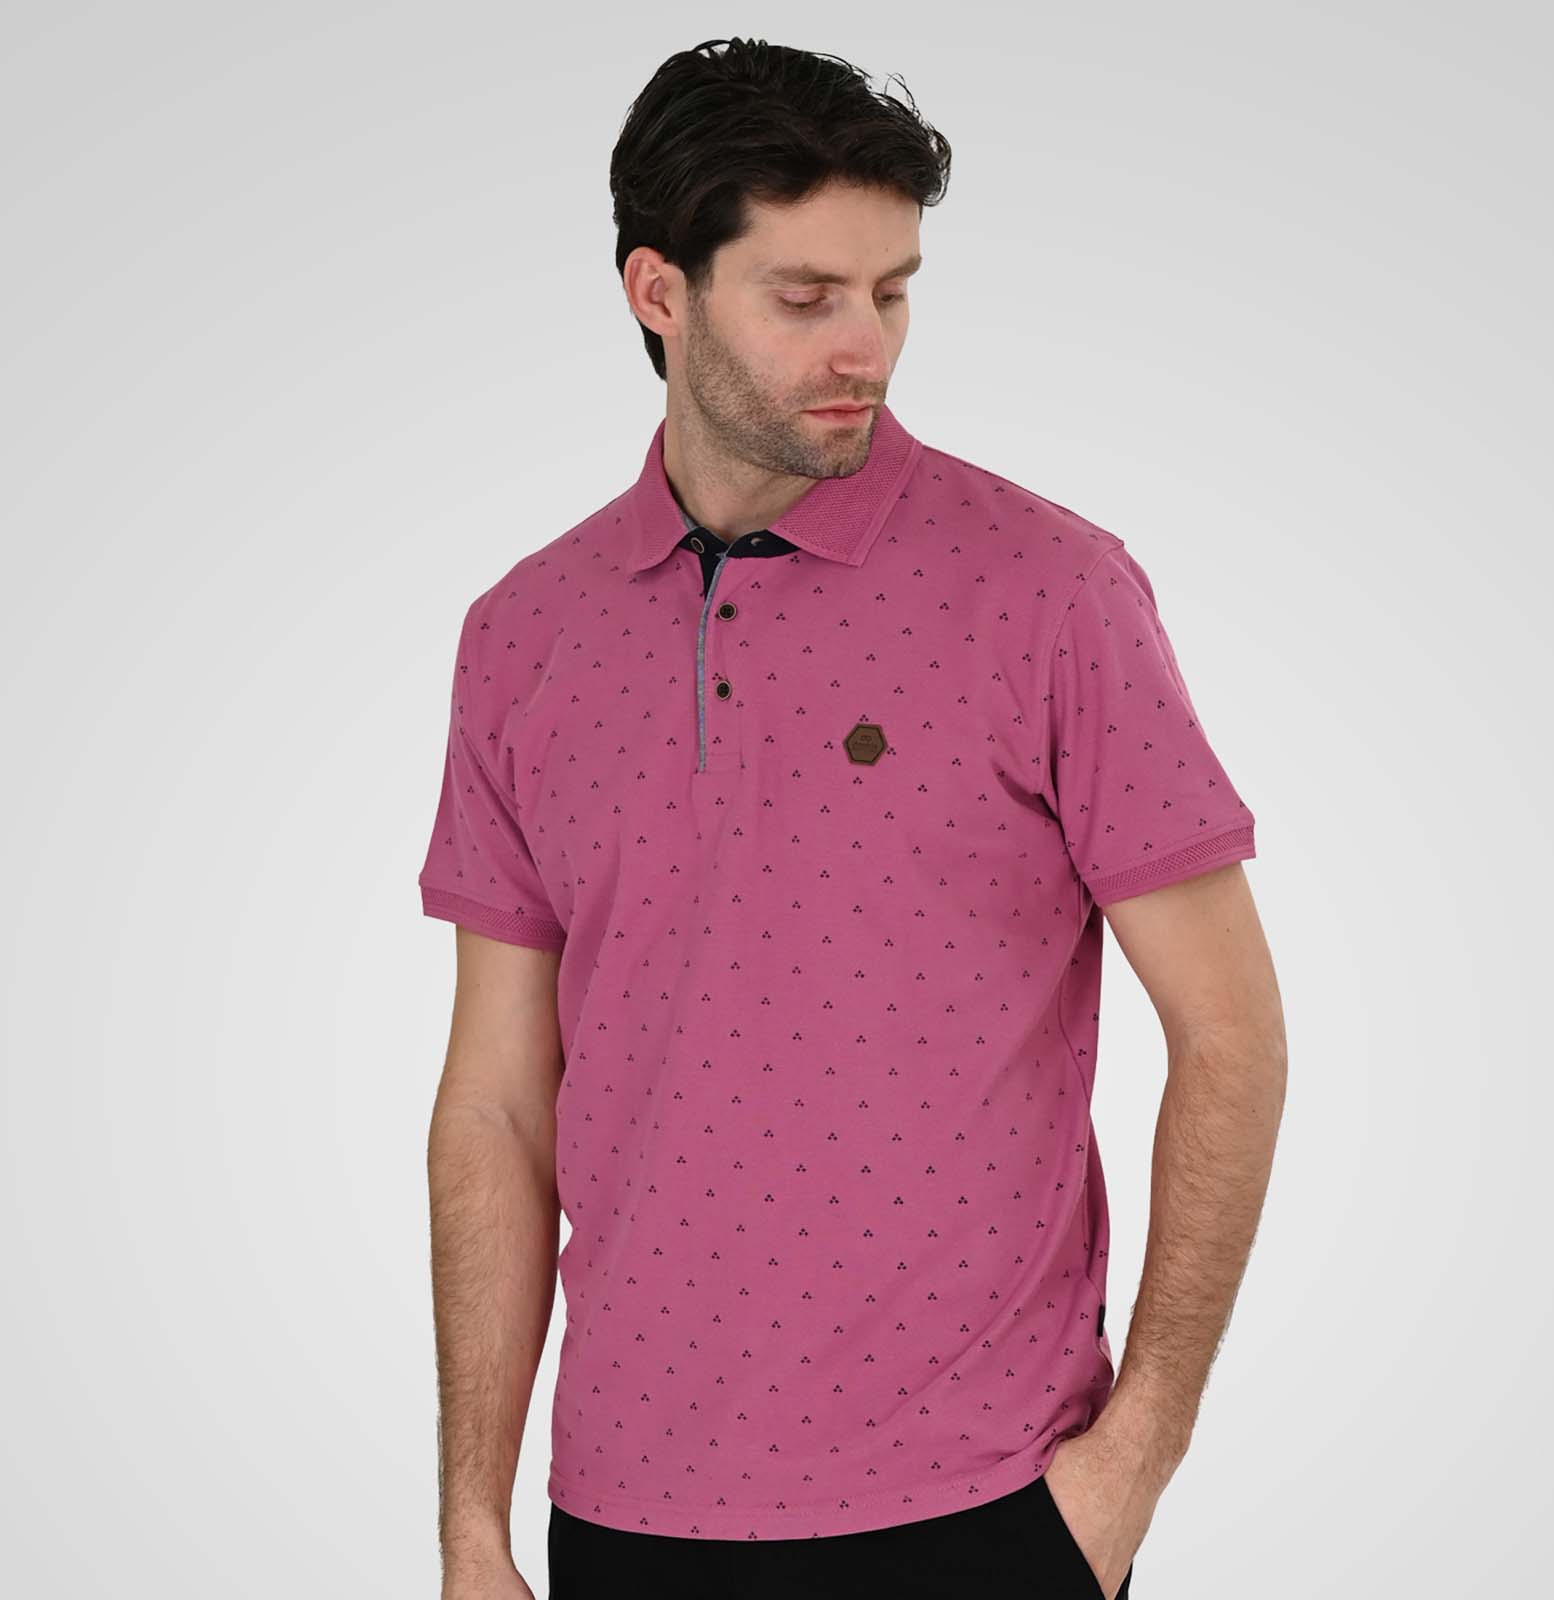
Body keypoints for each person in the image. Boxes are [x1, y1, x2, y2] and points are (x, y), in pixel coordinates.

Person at [418, 36, 1286, 1600]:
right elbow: (496, 1101)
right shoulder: (526, 635)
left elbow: (1230, 1033)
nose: (864, 346)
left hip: (989, 1507)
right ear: (660, 292)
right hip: (623, 1513)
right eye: (805, 296)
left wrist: (1129, 1467)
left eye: (892, 292)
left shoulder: (1050, 592)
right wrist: (472, 1520)